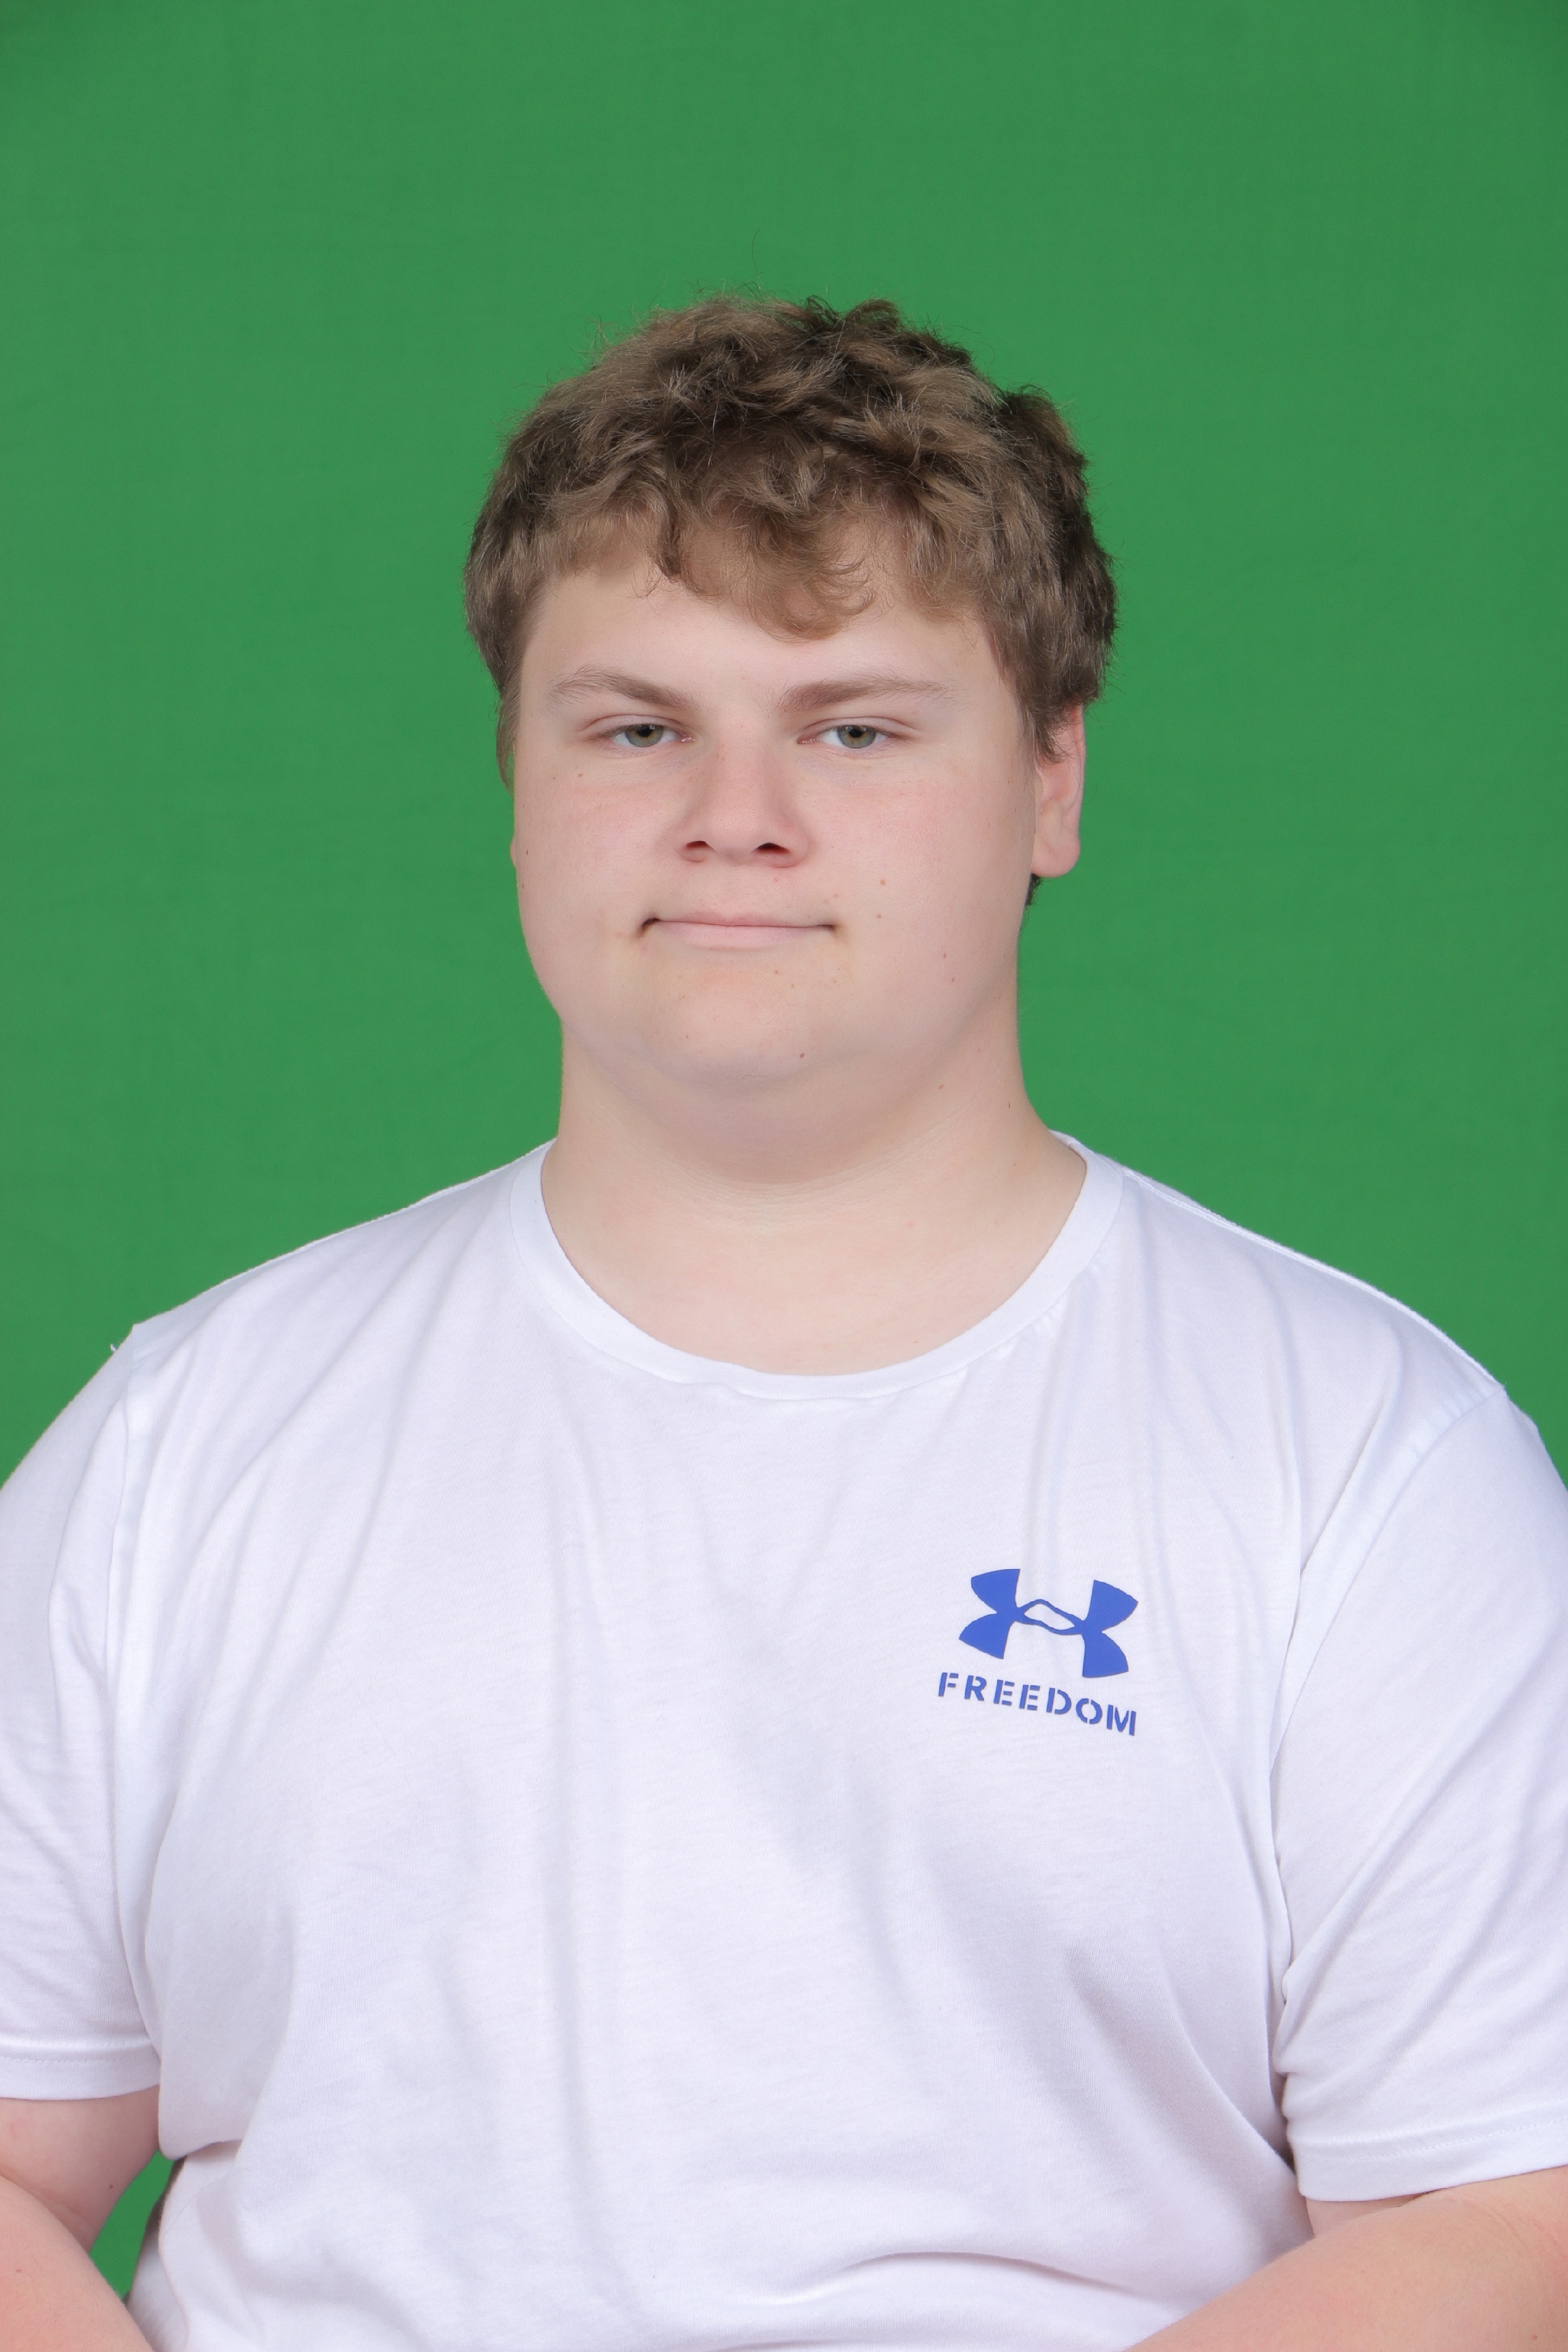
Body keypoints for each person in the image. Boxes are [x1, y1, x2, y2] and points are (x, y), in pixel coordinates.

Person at [1, 294, 1564, 2352]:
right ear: (519, 780)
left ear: (1051, 781)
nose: (735, 814)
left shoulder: (1363, 1461)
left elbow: (1504, 2210)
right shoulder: (185, 1439)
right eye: (636, 726)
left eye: (854, 727)